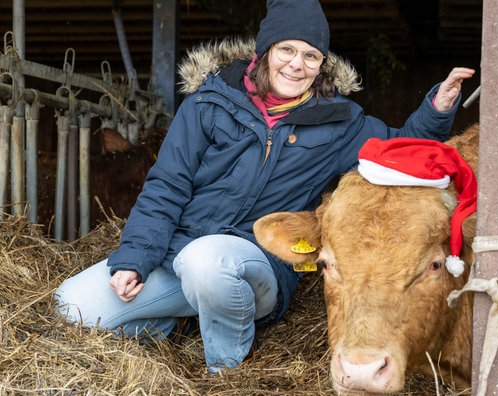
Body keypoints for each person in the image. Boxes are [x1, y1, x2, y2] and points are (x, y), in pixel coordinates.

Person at [54, 0, 475, 374]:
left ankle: (227, 369)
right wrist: (135, 259)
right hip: (177, 253)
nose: (297, 64)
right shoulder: (207, 104)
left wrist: (437, 107)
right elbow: (167, 185)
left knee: (209, 261)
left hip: (255, 264)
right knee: (70, 307)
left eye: (311, 56)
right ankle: (176, 321)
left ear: (322, 64)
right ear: (264, 52)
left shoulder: (339, 122)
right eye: (287, 50)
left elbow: (400, 152)